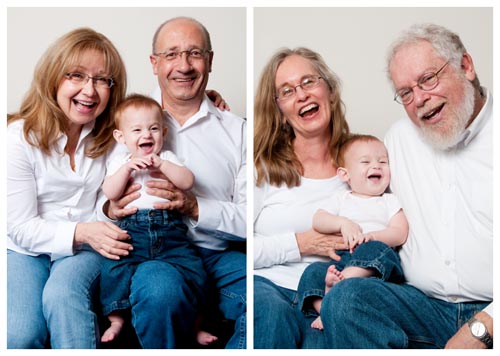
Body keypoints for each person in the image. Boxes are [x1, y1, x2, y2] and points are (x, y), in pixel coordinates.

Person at [320, 23, 493, 349]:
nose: (420, 99)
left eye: (428, 79)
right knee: (346, 299)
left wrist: (483, 328)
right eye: (406, 93)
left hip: (491, 310)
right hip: (422, 306)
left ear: (466, 66)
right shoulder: (398, 140)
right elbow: (360, 192)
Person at [99, 17, 246, 348]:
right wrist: (112, 207)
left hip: (214, 252)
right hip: (147, 251)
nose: (184, 65)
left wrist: (195, 207)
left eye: (194, 53)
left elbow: (251, 216)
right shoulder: (125, 122)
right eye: (171, 54)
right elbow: (98, 198)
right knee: (159, 287)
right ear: (154, 63)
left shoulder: (238, 131)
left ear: (209, 60)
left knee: (265, 292)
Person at [7, 27, 130, 348]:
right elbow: (19, 227)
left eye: (103, 80)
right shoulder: (18, 138)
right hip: (25, 250)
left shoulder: (114, 136)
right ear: (53, 78)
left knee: (63, 297)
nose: (90, 91)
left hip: (85, 252)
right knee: (20, 335)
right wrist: (83, 231)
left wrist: (109, 211)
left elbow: (155, 120)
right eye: (76, 75)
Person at [253, 47, 351, 348]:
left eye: (309, 82)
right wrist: (301, 243)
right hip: (267, 286)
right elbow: (239, 252)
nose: (302, 95)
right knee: (272, 318)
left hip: (326, 298)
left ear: (330, 91)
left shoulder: (364, 164)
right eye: (287, 90)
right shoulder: (261, 167)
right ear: (280, 112)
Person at [99, 93, 216, 346]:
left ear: (163, 132)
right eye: (137, 130)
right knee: (113, 269)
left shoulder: (168, 158)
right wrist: (128, 169)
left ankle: (195, 323)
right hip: (133, 232)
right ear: (121, 137)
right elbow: (110, 192)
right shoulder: (121, 162)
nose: (147, 135)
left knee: (195, 271)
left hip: (170, 232)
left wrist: (162, 165)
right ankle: (116, 318)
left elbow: (187, 181)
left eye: (153, 129)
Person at [296, 134, 408, 330]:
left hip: (375, 265)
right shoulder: (342, 199)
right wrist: (342, 223)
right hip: (341, 260)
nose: (376, 166)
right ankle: (325, 309)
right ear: (345, 175)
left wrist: (374, 236)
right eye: (365, 161)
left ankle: (337, 290)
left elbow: (400, 232)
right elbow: (318, 220)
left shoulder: (388, 200)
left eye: (383, 161)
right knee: (312, 271)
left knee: (375, 249)